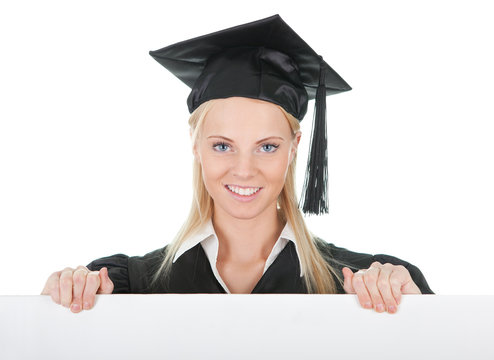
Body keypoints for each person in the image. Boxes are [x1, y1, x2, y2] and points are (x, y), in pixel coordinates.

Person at [41, 14, 434, 315]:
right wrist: (57, 309)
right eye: (223, 145)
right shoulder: (124, 287)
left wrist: (415, 315)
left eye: (267, 147)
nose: (244, 170)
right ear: (195, 144)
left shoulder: (361, 286)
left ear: (295, 147)